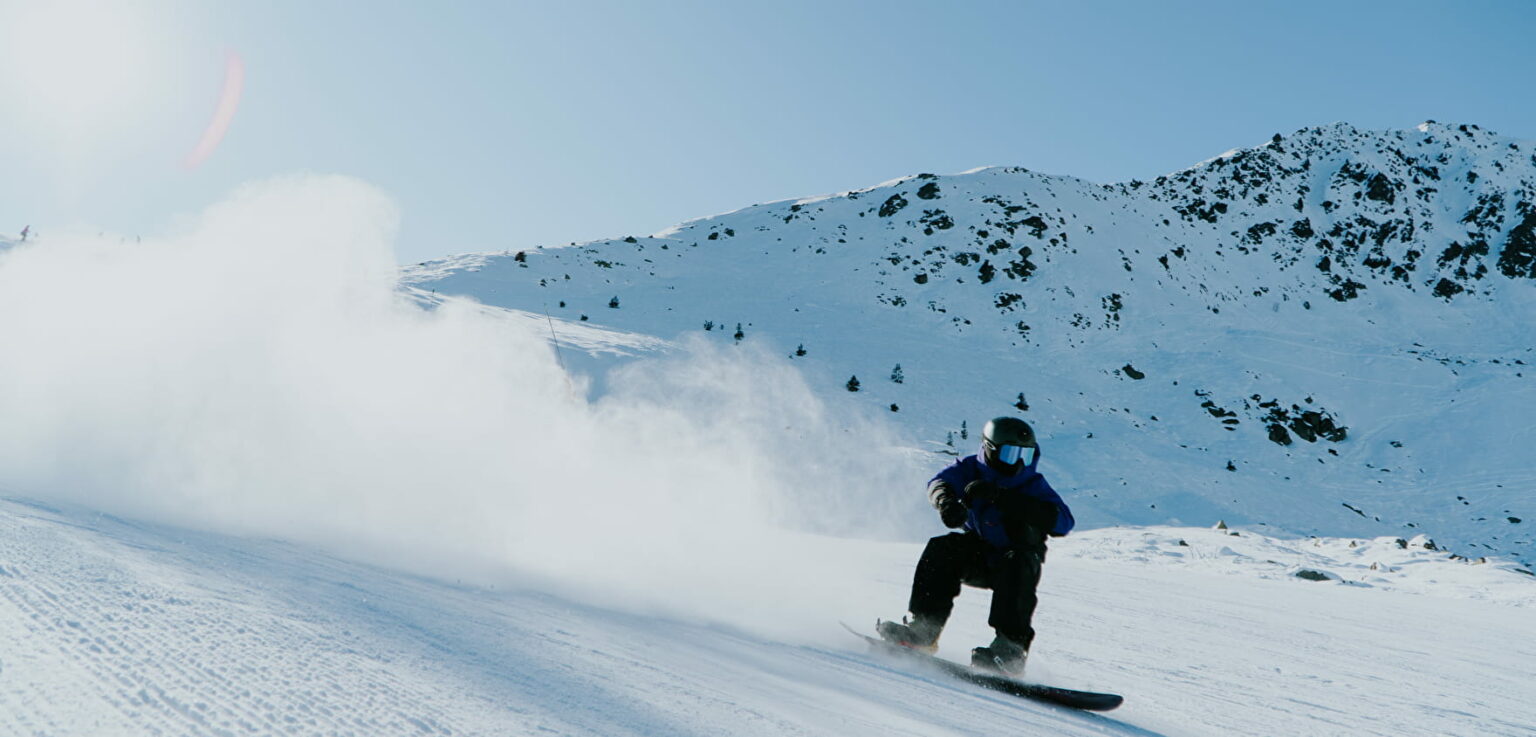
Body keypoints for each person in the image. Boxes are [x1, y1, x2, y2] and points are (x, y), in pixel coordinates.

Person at [879, 416, 1074, 675]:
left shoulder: (1032, 484)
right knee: (942, 548)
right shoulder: (970, 468)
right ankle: (922, 631)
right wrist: (946, 503)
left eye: (1025, 456)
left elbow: (1063, 522)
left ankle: (1009, 651)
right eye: (1010, 454)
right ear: (990, 449)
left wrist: (1004, 499)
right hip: (980, 553)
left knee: (1018, 561)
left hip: (1016, 561)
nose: (1017, 463)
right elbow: (939, 483)